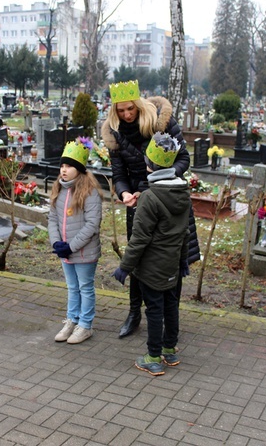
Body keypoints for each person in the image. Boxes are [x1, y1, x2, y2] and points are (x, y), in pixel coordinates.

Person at [102, 80, 200, 338]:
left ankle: (170, 315)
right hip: (137, 202)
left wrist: (156, 183)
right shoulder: (114, 133)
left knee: (172, 258)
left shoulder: (162, 121)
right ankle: (134, 313)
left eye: (130, 109)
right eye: (120, 110)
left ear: (138, 105)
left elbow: (184, 158)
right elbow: (118, 173)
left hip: (167, 196)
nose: (126, 114)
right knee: (137, 259)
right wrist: (123, 193)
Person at [112, 132, 190, 376]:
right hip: (172, 266)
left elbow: (140, 238)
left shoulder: (149, 197)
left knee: (154, 310)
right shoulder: (183, 193)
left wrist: (125, 267)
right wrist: (183, 261)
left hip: (152, 268)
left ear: (150, 166)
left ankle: (153, 357)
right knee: (171, 306)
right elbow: (184, 233)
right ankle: (170, 350)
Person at [48, 137, 103, 344]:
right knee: (72, 287)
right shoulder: (59, 189)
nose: (63, 170)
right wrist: (56, 243)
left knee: (85, 287)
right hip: (65, 250)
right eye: (62, 165)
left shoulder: (90, 192)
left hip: (83, 252)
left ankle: (85, 325)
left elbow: (92, 224)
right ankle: (72, 319)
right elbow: (52, 218)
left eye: (69, 166)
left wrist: (71, 246)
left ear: (79, 168)